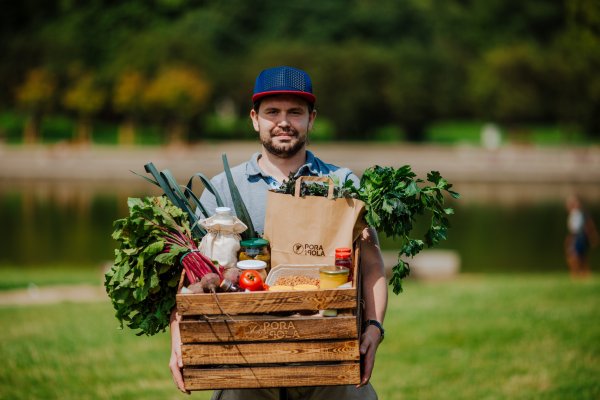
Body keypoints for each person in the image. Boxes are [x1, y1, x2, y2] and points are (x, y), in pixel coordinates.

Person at [169, 66, 388, 399]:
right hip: (245, 362)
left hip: (330, 360)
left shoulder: (344, 183)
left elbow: (371, 264)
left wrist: (373, 326)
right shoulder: (221, 190)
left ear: (311, 119)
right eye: (273, 112)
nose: (283, 121)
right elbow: (188, 277)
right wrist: (178, 338)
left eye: (295, 112)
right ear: (255, 119)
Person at [564, 194, 598, 277]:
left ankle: (580, 273)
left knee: (576, 255)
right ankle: (580, 273)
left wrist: (592, 237)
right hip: (576, 236)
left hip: (579, 237)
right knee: (578, 256)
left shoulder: (581, 214)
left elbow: (588, 226)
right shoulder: (574, 214)